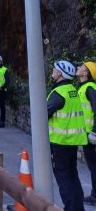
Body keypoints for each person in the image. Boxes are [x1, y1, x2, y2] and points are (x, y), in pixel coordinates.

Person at [47, 60, 87, 211]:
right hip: (71, 142)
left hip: (60, 142)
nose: (53, 70)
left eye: (55, 69)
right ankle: (78, 208)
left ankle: (72, 208)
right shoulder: (72, 90)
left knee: (64, 179)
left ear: (60, 74)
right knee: (72, 176)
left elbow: (43, 113)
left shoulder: (59, 93)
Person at [77, 61, 96, 206]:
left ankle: (95, 196)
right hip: (87, 135)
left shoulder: (90, 88)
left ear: (86, 73)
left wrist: (94, 132)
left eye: (82, 67)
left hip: (91, 136)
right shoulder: (84, 88)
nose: (78, 68)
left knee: (94, 166)